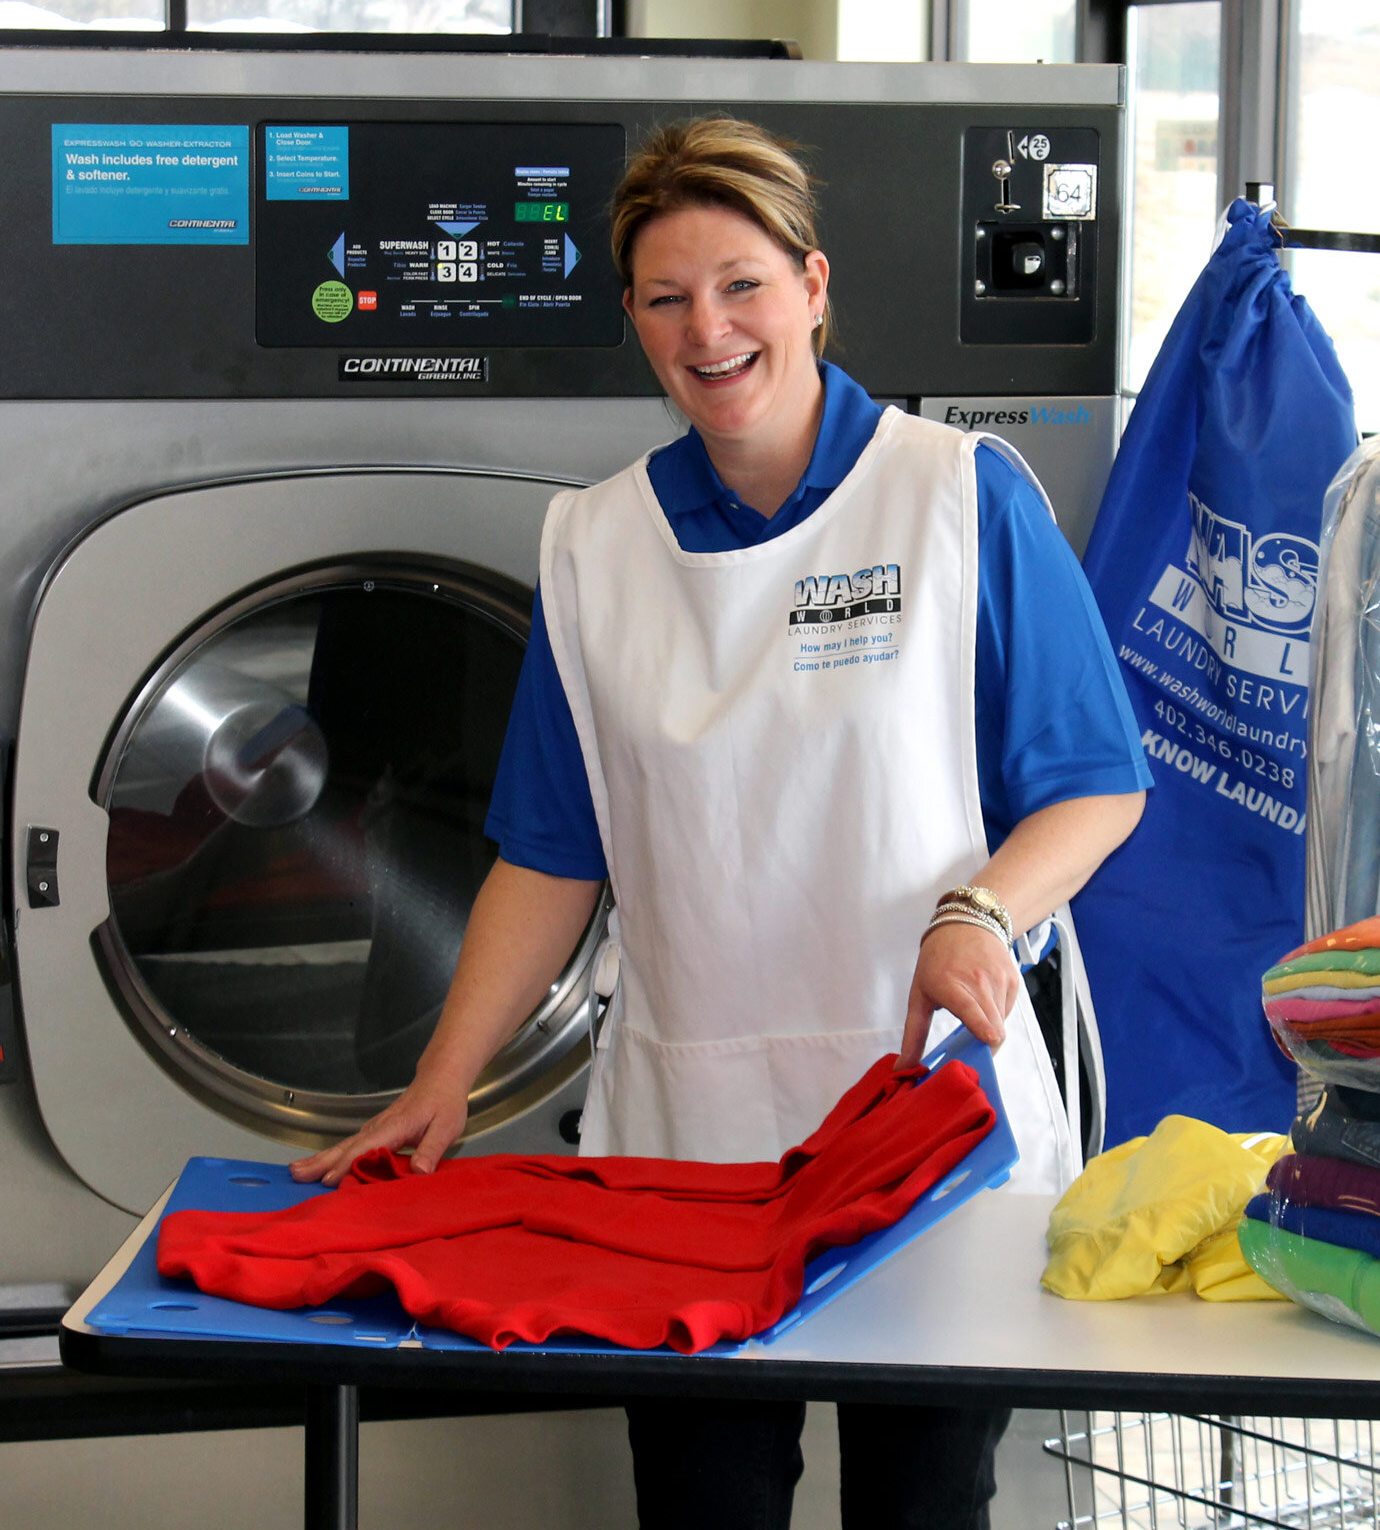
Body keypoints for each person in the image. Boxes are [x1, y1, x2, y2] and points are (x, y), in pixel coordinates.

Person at [292, 117, 1150, 1530]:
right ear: (631, 320)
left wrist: (978, 912)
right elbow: (554, 851)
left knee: (921, 1509)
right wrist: (444, 1081)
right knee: (703, 1510)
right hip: (684, 1136)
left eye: (743, 284)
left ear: (812, 287)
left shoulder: (956, 498)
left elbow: (1094, 785)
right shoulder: (594, 546)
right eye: (668, 298)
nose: (711, 329)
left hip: (926, 1118)